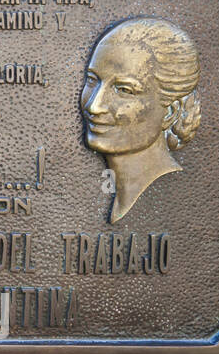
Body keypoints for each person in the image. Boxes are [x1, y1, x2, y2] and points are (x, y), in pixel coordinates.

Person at [81, 18, 201, 223]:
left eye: (124, 90)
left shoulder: (182, 211)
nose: (94, 106)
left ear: (171, 112)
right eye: (92, 80)